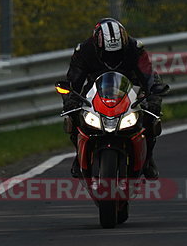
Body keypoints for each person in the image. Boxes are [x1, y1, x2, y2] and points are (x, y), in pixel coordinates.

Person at [62, 18, 168, 179]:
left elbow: (149, 77)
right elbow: (73, 81)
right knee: (73, 116)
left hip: (129, 89)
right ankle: (79, 156)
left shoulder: (135, 48)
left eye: (117, 54)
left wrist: (153, 99)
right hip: (95, 91)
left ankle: (148, 159)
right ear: (98, 46)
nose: (113, 58)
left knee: (151, 118)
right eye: (108, 54)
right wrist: (70, 99)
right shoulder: (84, 51)